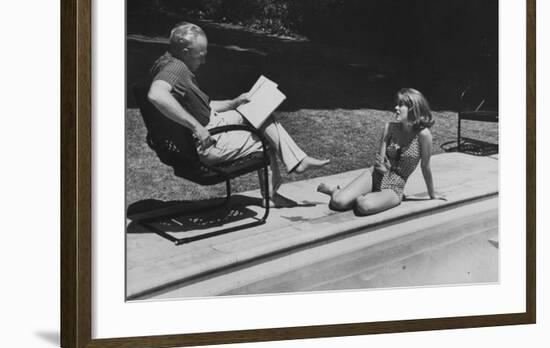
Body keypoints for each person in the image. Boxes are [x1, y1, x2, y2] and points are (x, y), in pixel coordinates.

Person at [147, 22, 329, 206]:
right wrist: (197, 127)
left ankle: (298, 161)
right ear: (185, 51)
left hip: (208, 125)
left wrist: (233, 103)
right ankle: (273, 195)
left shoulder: (166, 62)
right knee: (266, 140)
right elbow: (156, 94)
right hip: (208, 140)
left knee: (260, 113)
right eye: (200, 55)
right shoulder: (175, 69)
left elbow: (202, 107)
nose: (203, 61)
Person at [317, 88, 446, 215]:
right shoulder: (389, 128)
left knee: (364, 205)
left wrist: (432, 194)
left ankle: (366, 196)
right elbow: (381, 161)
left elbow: (425, 166)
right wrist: (383, 168)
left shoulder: (423, 135)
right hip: (376, 175)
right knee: (338, 202)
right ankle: (336, 191)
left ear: (413, 108)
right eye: (397, 104)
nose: (396, 107)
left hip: (395, 186)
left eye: (401, 105)